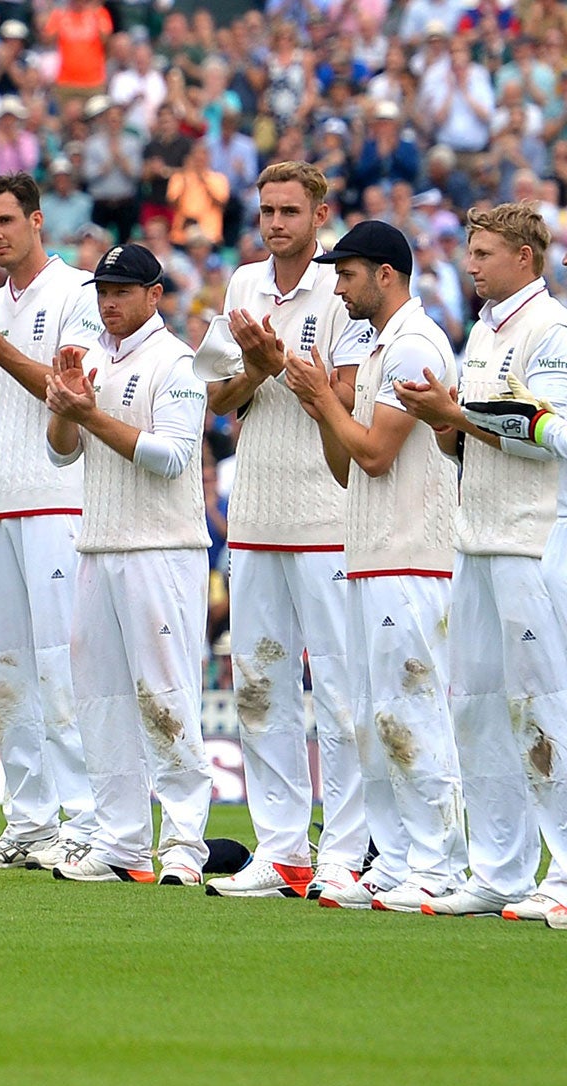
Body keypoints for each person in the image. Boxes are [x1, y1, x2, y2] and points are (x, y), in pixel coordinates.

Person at [199, 163, 372, 899]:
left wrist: (280, 367)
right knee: (261, 687)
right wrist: (257, 367)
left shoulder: (345, 290)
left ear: (319, 214)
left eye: (290, 210)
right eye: (267, 210)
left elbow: (347, 397)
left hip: (329, 513)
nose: (275, 222)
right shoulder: (243, 286)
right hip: (257, 513)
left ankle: (345, 850)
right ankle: (280, 849)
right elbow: (213, 397)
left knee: (337, 689)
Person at [389, 203, 567, 919]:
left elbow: (548, 430)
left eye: (485, 253)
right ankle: (499, 868)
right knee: (479, 710)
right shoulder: (486, 332)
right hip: (479, 535)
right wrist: (446, 421)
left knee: (543, 706)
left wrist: (456, 412)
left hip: (534, 538)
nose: (470, 264)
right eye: (471, 251)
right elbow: (477, 438)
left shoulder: (550, 329)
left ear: (525, 257)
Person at [283, 220, 466, 913]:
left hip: (411, 555)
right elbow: (346, 467)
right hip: (371, 550)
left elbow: (377, 456)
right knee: (372, 714)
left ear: (385, 274)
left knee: (409, 709)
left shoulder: (414, 344)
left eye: (348, 273)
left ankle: (439, 862)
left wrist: (326, 400)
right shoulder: (379, 345)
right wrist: (317, 405)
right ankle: (394, 859)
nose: (338, 285)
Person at [0, 173, 101, 871]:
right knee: (4, 670)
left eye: (7, 220)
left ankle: (90, 821)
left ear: (38, 221)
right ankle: (31, 821)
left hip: (60, 494)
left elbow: (70, 390)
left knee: (62, 669)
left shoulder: (80, 294)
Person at [43, 241, 213, 885]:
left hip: (162, 549)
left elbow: (170, 458)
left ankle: (184, 846)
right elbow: (62, 455)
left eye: (122, 292)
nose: (109, 303)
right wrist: (66, 408)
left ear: (153, 296)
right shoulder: (91, 363)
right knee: (102, 699)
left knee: (166, 693)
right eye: (103, 292)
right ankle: (121, 843)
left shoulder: (178, 363)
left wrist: (90, 413)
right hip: (99, 544)